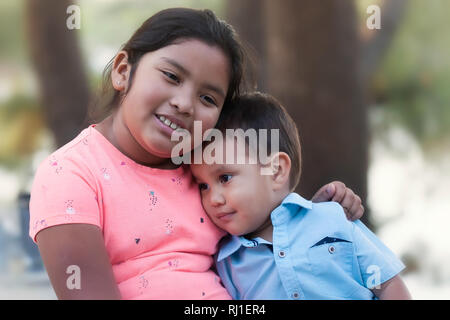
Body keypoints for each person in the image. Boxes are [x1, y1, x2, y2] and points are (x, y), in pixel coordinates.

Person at [29, 8, 364, 300]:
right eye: (171, 76)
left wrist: (315, 218)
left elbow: (265, 250)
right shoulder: (70, 174)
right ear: (122, 70)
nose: (185, 103)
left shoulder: (205, 171)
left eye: (208, 99)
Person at [190, 92, 411, 300]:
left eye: (225, 178)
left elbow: (388, 284)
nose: (213, 199)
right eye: (203, 186)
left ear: (276, 171)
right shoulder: (228, 263)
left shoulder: (332, 219)